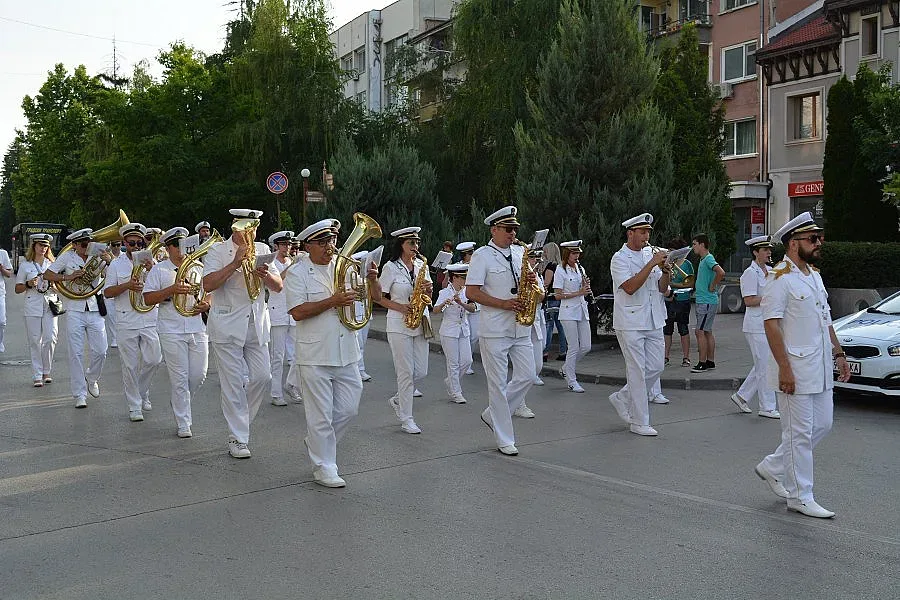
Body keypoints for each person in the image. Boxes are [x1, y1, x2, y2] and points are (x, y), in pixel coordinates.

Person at [755, 212, 850, 518]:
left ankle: (774, 465)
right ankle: (800, 494)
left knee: (823, 424)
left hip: (819, 366)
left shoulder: (814, 275)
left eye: (819, 237)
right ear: (793, 244)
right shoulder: (778, 278)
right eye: (813, 239)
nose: (819, 242)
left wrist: (838, 353)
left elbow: (825, 318)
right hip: (794, 368)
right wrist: (784, 368)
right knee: (798, 433)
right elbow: (770, 325)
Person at [286, 218, 383, 487]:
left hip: (347, 350)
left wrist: (372, 281)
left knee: (349, 409)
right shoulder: (297, 273)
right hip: (315, 353)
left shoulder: (347, 267)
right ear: (308, 245)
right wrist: (333, 301)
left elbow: (370, 299)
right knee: (319, 416)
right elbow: (297, 312)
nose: (330, 246)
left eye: (332, 240)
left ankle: (318, 443)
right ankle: (324, 465)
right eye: (322, 242)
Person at [202, 209, 283, 459]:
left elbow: (278, 287)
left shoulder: (261, 250)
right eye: (247, 228)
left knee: (262, 377)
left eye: (255, 227)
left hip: (256, 324)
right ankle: (237, 437)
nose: (252, 233)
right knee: (233, 383)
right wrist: (235, 263)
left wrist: (266, 274)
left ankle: (240, 423)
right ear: (235, 228)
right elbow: (207, 284)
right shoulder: (217, 251)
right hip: (227, 325)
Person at [466, 206, 540, 456]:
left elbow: (535, 288)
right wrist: (503, 304)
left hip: (520, 326)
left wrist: (532, 282)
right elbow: (471, 292)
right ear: (494, 229)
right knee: (497, 384)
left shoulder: (520, 252)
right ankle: (504, 437)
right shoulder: (481, 256)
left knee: (528, 375)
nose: (512, 234)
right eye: (508, 229)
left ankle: (492, 414)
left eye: (515, 229)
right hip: (495, 328)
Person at [142, 227, 210, 438]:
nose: (182, 250)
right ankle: (184, 422)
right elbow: (148, 299)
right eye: (176, 246)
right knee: (179, 377)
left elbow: (210, 293)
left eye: (183, 245)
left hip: (196, 325)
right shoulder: (159, 270)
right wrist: (171, 290)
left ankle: (180, 399)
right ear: (168, 248)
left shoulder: (198, 267)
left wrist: (206, 304)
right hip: (171, 328)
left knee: (199, 375)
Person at [608, 213, 671, 436]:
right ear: (630, 233)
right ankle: (639, 421)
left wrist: (665, 273)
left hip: (654, 318)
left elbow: (664, 289)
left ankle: (622, 397)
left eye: (648, 232)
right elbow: (630, 287)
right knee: (637, 371)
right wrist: (652, 264)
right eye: (642, 232)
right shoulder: (619, 258)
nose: (646, 237)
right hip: (631, 321)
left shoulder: (650, 253)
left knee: (657, 367)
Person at [43, 228, 112, 408]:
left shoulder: (98, 256)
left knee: (101, 350)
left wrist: (110, 262)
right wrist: (69, 276)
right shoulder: (67, 258)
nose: (87, 246)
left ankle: (92, 377)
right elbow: (48, 275)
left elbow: (111, 278)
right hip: (74, 308)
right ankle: (79, 394)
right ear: (74, 245)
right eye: (83, 244)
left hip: (95, 308)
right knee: (76, 353)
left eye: (89, 243)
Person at [103, 223, 163, 422]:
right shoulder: (116, 264)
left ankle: (142, 391)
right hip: (126, 318)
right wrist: (128, 285)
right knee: (129, 365)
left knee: (154, 359)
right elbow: (107, 292)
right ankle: (134, 405)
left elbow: (162, 288)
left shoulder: (152, 261)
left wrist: (152, 269)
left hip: (149, 317)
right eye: (132, 243)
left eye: (140, 242)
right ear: (123, 243)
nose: (137, 246)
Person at [377, 227, 432, 434]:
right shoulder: (391, 267)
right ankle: (406, 418)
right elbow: (379, 297)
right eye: (411, 243)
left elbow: (427, 293)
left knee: (422, 371)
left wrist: (428, 289)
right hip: (398, 324)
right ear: (401, 244)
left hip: (420, 321)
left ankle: (399, 399)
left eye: (417, 243)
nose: (416, 247)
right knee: (406, 372)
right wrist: (400, 307)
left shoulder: (421, 265)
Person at [732, 235, 780, 419]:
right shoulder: (750, 274)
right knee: (765, 366)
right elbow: (749, 300)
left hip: (769, 322)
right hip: (755, 325)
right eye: (764, 250)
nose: (769, 252)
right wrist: (771, 298)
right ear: (755, 252)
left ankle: (741, 396)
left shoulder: (771, 270)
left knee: (764, 363)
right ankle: (767, 407)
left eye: (769, 249)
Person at [14, 234, 58, 386]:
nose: (43, 248)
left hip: (50, 304)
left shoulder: (53, 264)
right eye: (40, 245)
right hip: (32, 305)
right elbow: (17, 288)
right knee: (35, 341)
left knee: (50, 338)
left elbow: (62, 287)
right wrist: (28, 284)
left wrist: (55, 286)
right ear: (34, 246)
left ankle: (47, 370)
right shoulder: (26, 265)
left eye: (46, 246)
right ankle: (37, 374)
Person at [554, 240, 592, 393]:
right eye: (574, 253)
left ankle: (565, 368)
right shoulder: (560, 270)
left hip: (582, 310)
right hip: (568, 311)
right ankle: (571, 380)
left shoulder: (580, 267)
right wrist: (579, 292)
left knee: (586, 346)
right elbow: (557, 295)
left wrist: (585, 285)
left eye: (578, 253)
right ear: (567, 254)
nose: (577, 256)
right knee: (574, 347)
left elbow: (583, 289)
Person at [435, 263, 476, 404]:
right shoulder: (444, 293)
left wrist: (461, 303)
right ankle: (456, 392)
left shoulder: (466, 292)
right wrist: (443, 304)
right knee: (453, 363)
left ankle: (451, 381)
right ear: (454, 278)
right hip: (449, 330)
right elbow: (435, 310)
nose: (465, 281)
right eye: (462, 278)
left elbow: (473, 308)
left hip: (463, 329)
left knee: (467, 361)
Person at [267, 230, 295, 407]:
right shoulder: (271, 263)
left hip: (293, 311)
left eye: (289, 244)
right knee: (278, 356)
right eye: (284, 244)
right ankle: (276, 393)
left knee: (299, 354)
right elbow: (278, 284)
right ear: (276, 246)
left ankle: (292, 384)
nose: (288, 247)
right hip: (277, 312)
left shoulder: (291, 261)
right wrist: (292, 268)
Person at [690, 233, 725, 372]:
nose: (693, 247)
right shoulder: (704, 259)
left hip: (706, 301)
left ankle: (702, 363)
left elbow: (721, 272)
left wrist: (712, 285)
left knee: (700, 331)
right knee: (707, 331)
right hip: (705, 300)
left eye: (694, 244)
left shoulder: (708, 259)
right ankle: (710, 361)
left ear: (702, 244)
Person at [662, 237, 693, 368]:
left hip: (682, 299)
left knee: (683, 329)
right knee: (667, 330)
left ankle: (686, 358)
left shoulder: (687, 264)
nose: (670, 254)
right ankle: (665, 357)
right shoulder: (667, 264)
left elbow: (690, 283)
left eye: (672, 251)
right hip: (668, 300)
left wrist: (673, 284)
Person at [541, 242, 568, 362]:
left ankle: (545, 352)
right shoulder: (561, 266)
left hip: (550, 299)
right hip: (559, 298)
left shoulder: (550, 266)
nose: (543, 253)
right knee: (560, 326)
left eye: (545, 251)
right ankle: (563, 351)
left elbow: (546, 283)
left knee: (549, 325)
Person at [350, 250, 373, 382]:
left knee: (362, 344)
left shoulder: (367, 278)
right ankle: (359, 370)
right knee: (357, 344)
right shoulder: (352, 277)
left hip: (365, 314)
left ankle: (359, 369)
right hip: (355, 314)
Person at [456, 241, 479, 374]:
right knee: (463, 333)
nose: (473, 255)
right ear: (464, 255)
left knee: (474, 335)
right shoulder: (458, 267)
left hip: (475, 303)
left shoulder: (477, 266)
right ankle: (462, 360)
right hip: (461, 302)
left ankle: (467, 360)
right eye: (470, 253)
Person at [105, 242, 121, 348]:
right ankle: (115, 337)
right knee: (111, 316)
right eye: (113, 245)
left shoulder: (124, 257)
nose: (116, 247)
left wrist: (112, 261)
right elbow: (102, 274)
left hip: (122, 291)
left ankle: (121, 336)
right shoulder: (104, 257)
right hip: (110, 289)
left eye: (118, 245)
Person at [0, 245, 12, 353]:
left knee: (2, 321)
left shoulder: (3, 253)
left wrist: (1, 268)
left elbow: (9, 274)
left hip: (0, 292)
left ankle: (0, 342)